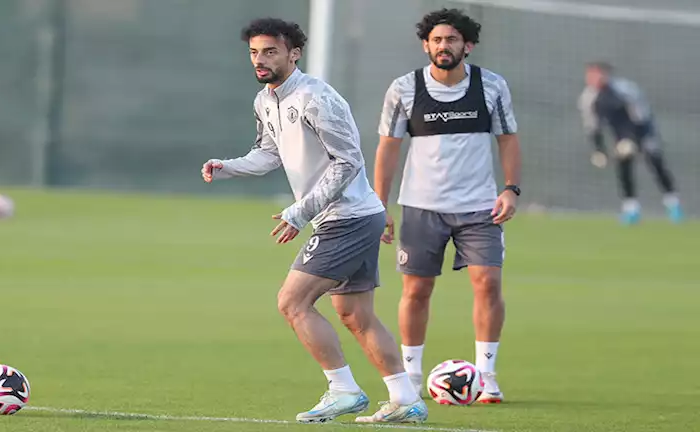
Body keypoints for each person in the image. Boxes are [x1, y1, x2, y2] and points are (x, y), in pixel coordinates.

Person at [201, 18, 427, 424]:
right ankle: (405, 398)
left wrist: (301, 211)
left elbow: (348, 162)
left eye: (270, 51)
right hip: (351, 217)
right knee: (355, 315)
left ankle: (344, 390)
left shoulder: (316, 98)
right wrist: (228, 167)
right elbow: (269, 153)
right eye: (254, 52)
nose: (260, 59)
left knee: (292, 302)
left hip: (347, 218)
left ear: (294, 53)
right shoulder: (264, 100)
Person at [373, 8, 522, 404]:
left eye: (452, 39)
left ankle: (486, 377)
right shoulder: (404, 88)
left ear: (467, 46)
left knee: (488, 283)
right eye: (436, 40)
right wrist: (379, 204)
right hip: (421, 207)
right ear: (426, 45)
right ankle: (411, 377)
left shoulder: (491, 86)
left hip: (480, 207)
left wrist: (511, 189)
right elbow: (388, 148)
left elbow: (508, 139)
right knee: (416, 289)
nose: (443, 46)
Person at [578, 61, 683, 225]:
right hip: (620, 136)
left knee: (655, 163)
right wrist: (599, 150)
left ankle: (673, 204)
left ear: (605, 74)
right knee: (624, 167)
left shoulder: (626, 90)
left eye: (595, 74)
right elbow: (593, 127)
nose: (590, 78)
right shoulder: (588, 97)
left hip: (643, 131)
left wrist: (632, 140)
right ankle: (631, 209)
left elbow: (641, 117)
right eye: (589, 75)